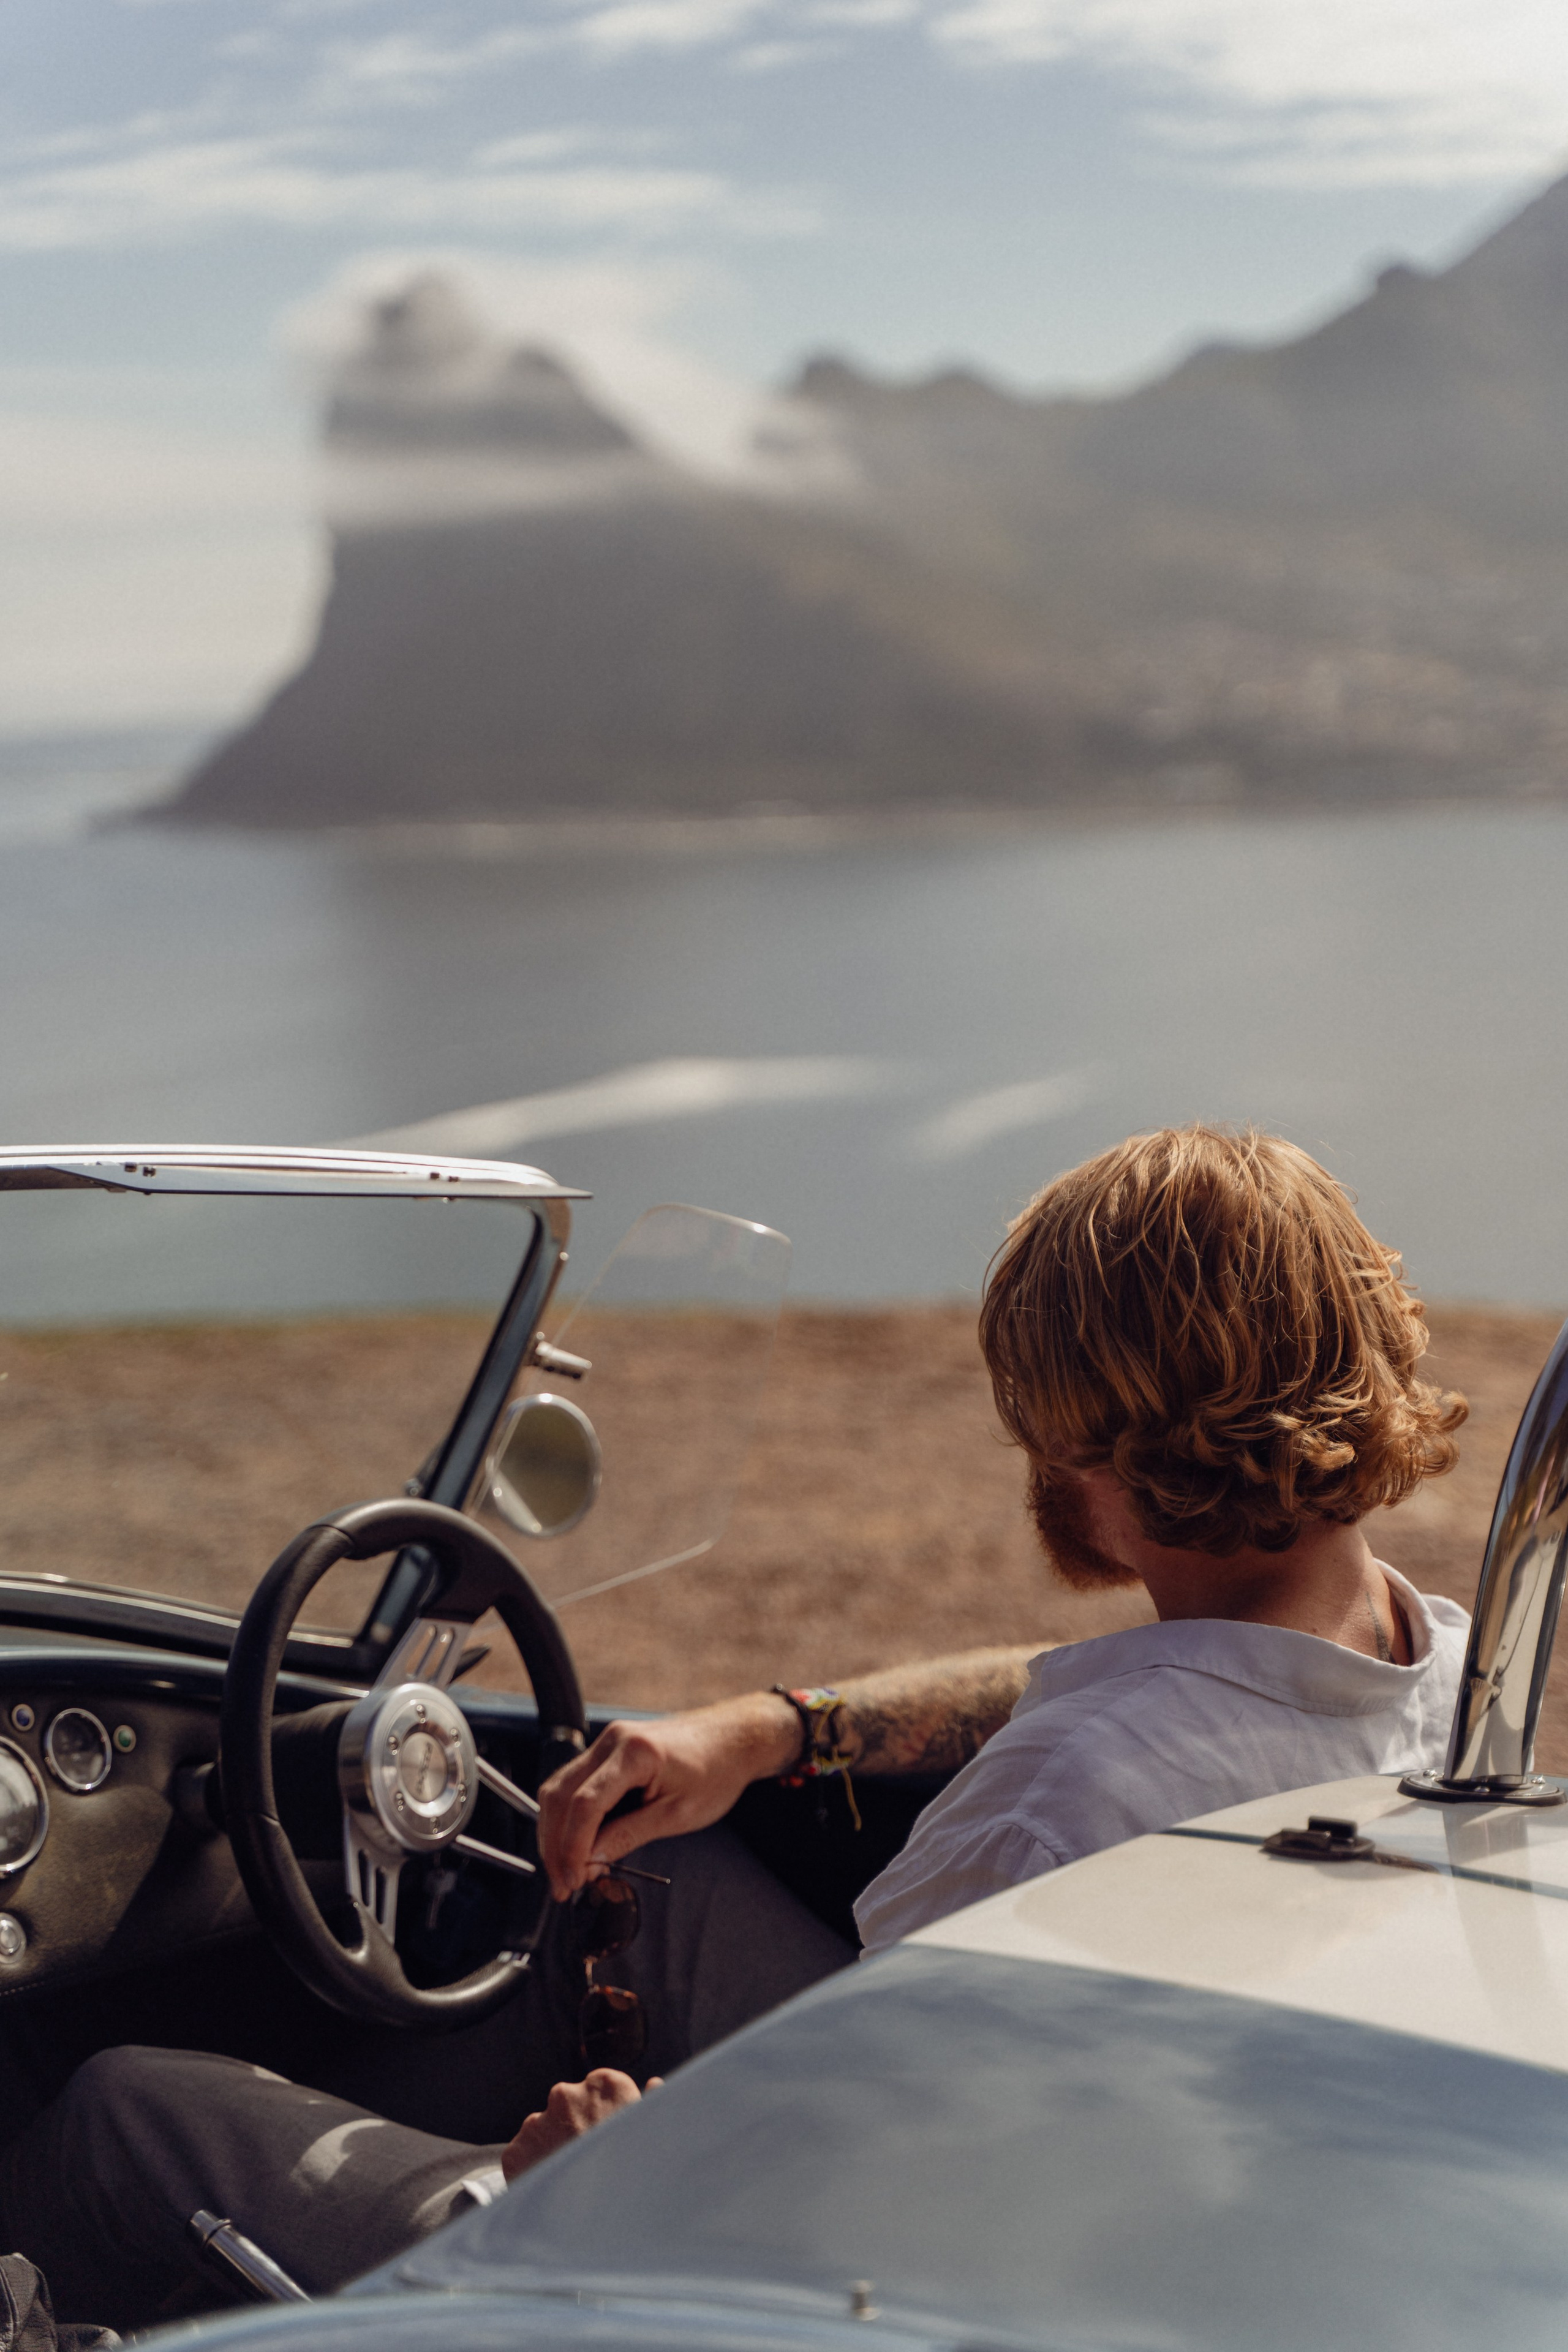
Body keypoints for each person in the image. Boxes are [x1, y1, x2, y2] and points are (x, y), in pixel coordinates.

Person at [0, 1126, 1471, 2330]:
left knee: (127, 2111)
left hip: (767, 2266)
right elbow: (1105, 1681)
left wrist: (600, 2181)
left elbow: (858, 2258)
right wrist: (777, 1732)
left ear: (1081, 1457)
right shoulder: (1441, 1672)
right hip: (1151, 2202)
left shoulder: (1057, 1812)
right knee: (659, 1882)